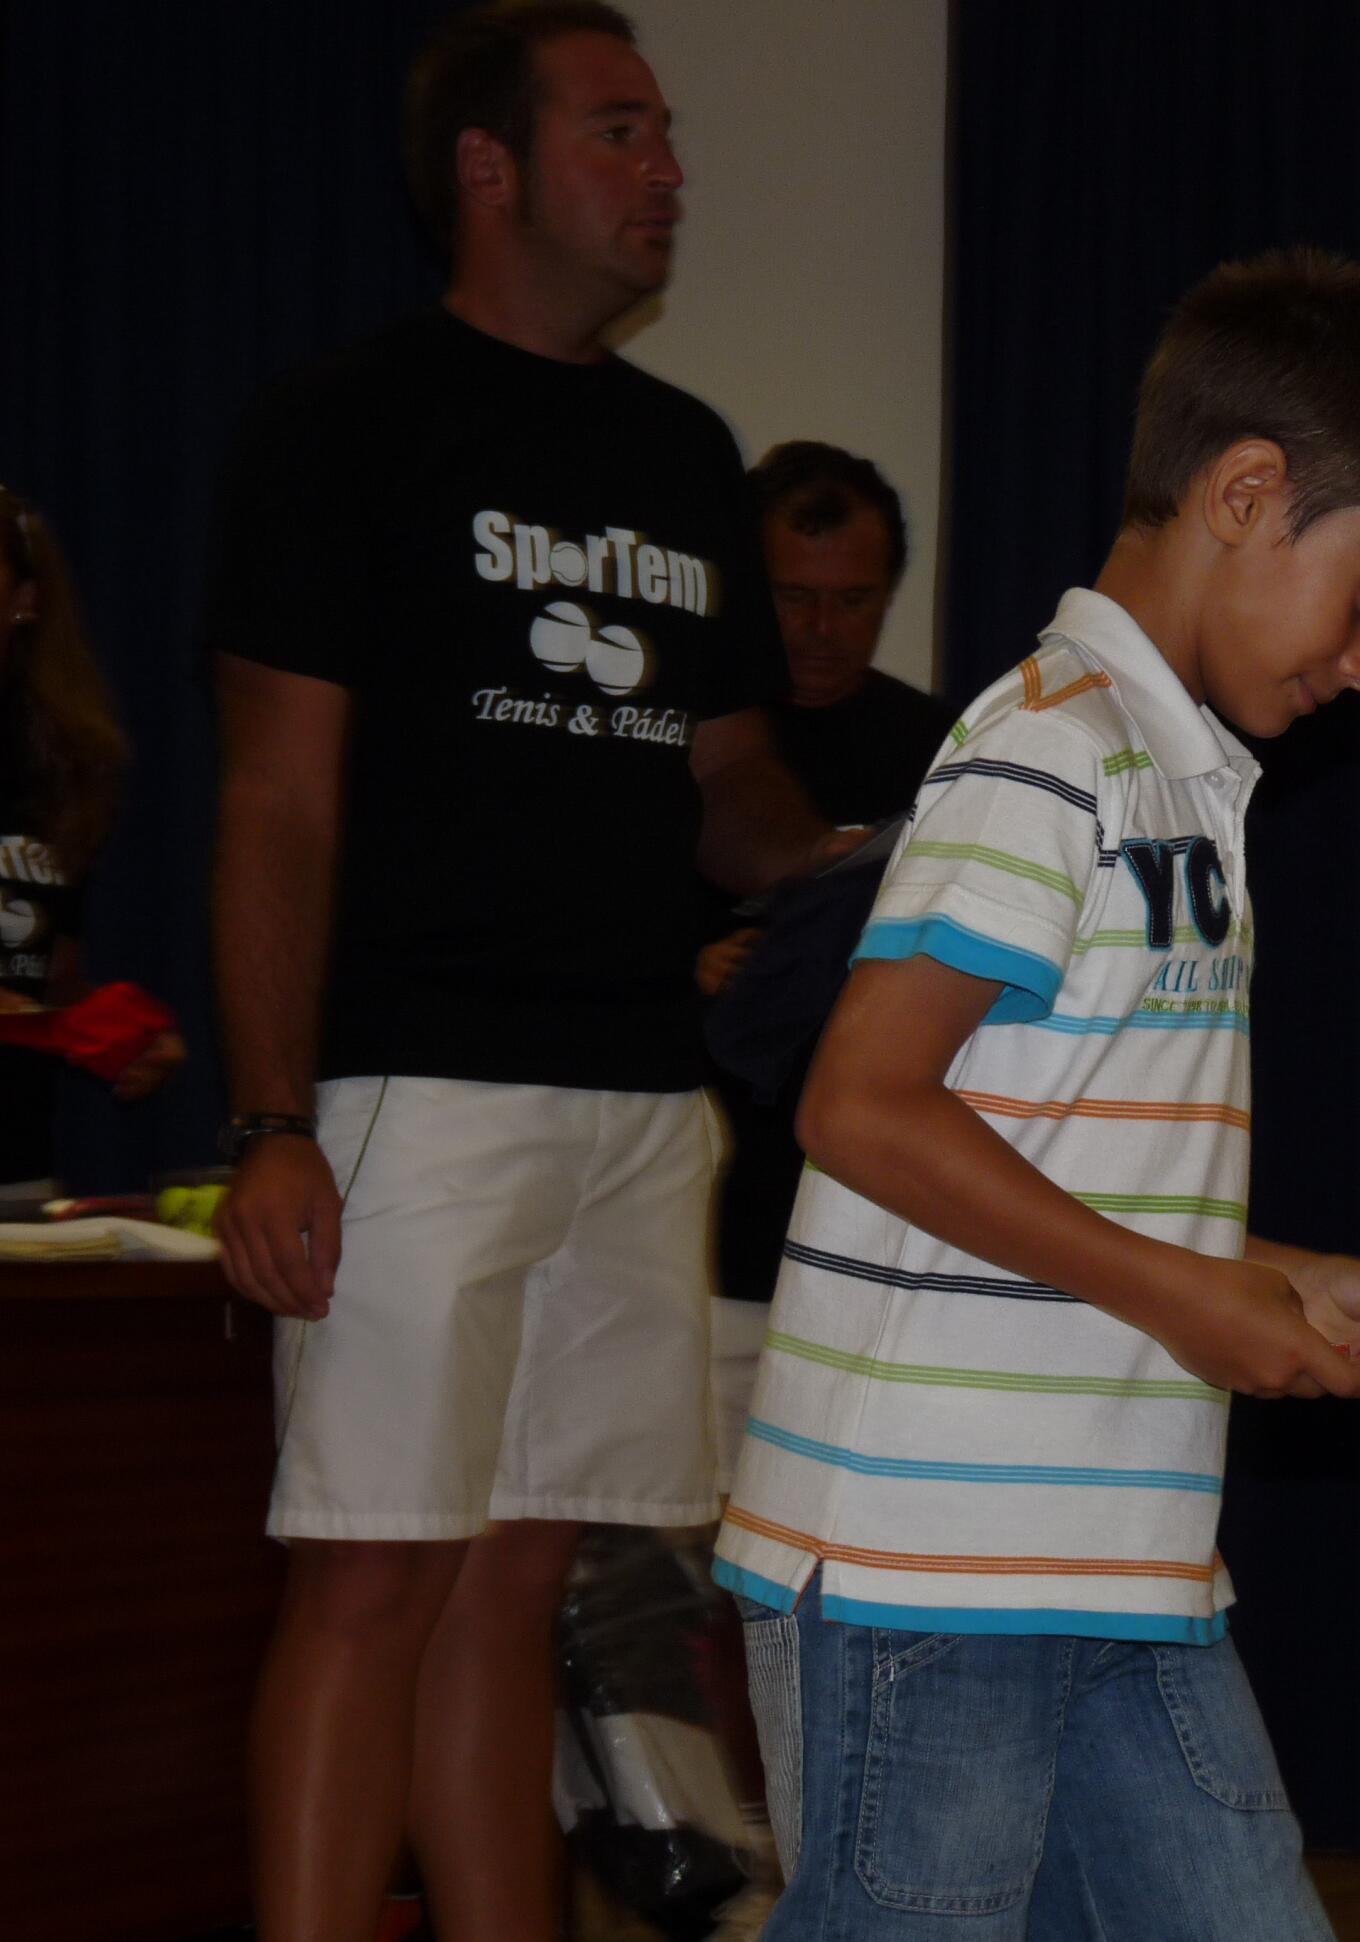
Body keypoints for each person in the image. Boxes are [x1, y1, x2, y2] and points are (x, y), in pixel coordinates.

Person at [715, 246, 1360, 1939]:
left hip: (1122, 1561)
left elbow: (1053, 1151)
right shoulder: (1048, 746)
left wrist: (1268, 1274)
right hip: (927, 1562)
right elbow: (862, 1105)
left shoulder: (1182, 778)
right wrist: (1186, 1295)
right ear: (1247, 492)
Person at [204, 8, 839, 1937]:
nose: (669, 172)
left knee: (517, 1580)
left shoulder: (685, 451)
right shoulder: (343, 423)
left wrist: (866, 868)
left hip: (642, 1099)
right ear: (488, 167)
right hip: (421, 1091)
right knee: (370, 1574)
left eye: (668, 136)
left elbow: (727, 781)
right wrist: (269, 1117)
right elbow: (277, 796)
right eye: (620, 131)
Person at [699, 443, 950, 1453]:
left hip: (876, 1224)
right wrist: (688, 969)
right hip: (697, 1215)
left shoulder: (942, 749)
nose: (821, 629)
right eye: (793, 597)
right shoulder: (677, 737)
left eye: (853, 600)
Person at [0, 483, 182, 1195]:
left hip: (16, 1175)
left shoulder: (59, 767)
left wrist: (116, 1033)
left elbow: (40, 977)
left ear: (24, 598)